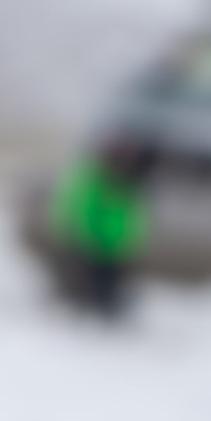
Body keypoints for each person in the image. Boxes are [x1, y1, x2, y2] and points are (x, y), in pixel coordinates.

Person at [53, 137, 153, 320]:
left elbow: (134, 217)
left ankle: (106, 315)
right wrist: (85, 237)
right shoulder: (97, 180)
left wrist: (131, 243)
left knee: (111, 287)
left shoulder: (130, 184)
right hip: (94, 245)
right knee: (90, 284)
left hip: (116, 248)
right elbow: (84, 209)